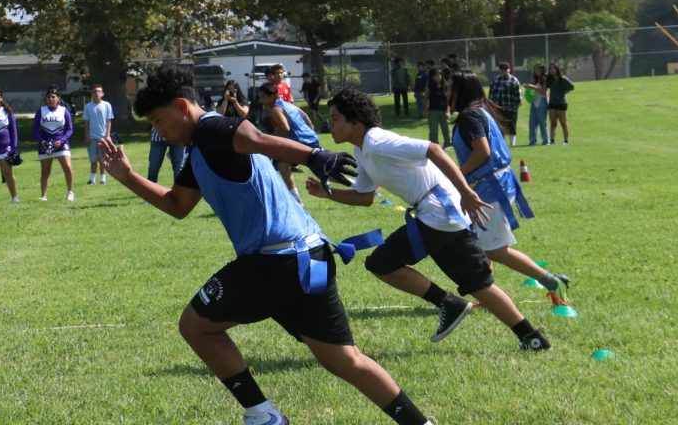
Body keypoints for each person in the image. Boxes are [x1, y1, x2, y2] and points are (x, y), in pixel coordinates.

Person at [101, 67, 435, 425]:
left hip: (277, 262)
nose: (159, 131)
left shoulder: (210, 129)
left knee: (196, 326)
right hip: (312, 257)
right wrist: (129, 177)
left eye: (158, 120)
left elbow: (253, 135)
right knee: (345, 359)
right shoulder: (202, 149)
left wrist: (314, 156)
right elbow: (177, 205)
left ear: (182, 106)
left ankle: (263, 416)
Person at [306, 88, 551, 351]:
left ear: (355, 120)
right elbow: (364, 197)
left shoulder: (378, 142)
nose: (328, 125)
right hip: (438, 215)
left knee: (382, 263)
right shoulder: (362, 149)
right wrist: (328, 194)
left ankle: (449, 303)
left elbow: (433, 149)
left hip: (438, 212)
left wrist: (466, 192)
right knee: (479, 284)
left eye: (334, 119)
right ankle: (531, 338)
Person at [449, 71, 570, 294]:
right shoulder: (480, 111)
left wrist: (457, 172)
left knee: (496, 250)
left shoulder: (470, 116)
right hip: (495, 183)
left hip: (491, 186)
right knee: (481, 243)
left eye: (450, 88)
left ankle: (551, 281)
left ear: (460, 91)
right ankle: (487, 292)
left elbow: (483, 152)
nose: (447, 92)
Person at [258, 81, 319, 203]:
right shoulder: (288, 104)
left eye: (263, 97)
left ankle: (296, 199)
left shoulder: (275, 108)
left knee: (281, 162)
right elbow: (304, 114)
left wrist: (271, 139)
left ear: (272, 96)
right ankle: (353, 183)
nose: (261, 101)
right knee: (321, 166)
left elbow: (285, 127)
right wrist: (310, 129)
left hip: (300, 141)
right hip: (310, 138)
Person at [33, 87, 75, 202]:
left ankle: (70, 192)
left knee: (67, 167)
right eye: (49, 97)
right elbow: (35, 130)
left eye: (53, 97)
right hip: (45, 144)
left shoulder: (64, 110)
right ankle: (43, 195)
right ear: (46, 99)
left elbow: (69, 130)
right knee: (45, 171)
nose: (51, 99)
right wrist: (42, 141)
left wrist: (61, 141)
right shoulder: (41, 111)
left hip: (61, 143)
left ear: (58, 98)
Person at [83, 84, 114, 185]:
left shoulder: (107, 105)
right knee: (93, 160)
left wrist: (108, 135)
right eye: (94, 91)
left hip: (103, 137)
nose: (96, 93)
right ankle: (92, 179)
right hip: (92, 137)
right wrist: (87, 136)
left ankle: (103, 179)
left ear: (102, 93)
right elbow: (86, 123)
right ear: (92, 94)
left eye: (99, 91)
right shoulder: (88, 107)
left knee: (102, 159)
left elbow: (108, 121)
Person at [487, 62, 522, 146]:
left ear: (509, 70)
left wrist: (516, 105)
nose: (504, 71)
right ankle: (501, 142)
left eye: (505, 70)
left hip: (511, 107)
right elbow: (491, 94)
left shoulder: (514, 80)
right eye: (502, 70)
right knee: (499, 126)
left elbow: (518, 95)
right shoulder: (495, 80)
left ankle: (512, 144)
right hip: (497, 109)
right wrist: (491, 106)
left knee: (512, 125)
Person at [546, 64, 575, 146]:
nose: (552, 70)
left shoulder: (562, 79)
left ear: (557, 69)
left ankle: (565, 141)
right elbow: (545, 87)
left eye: (553, 68)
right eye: (550, 68)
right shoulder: (550, 79)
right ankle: (552, 141)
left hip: (561, 103)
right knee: (553, 123)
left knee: (563, 123)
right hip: (552, 103)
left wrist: (563, 93)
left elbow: (572, 86)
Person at [425, 68, 451, 148]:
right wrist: (425, 109)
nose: (437, 77)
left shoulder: (445, 86)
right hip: (432, 111)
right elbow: (425, 98)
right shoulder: (429, 86)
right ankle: (434, 145)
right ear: (432, 77)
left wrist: (448, 111)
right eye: (435, 76)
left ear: (441, 76)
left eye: (438, 76)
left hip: (443, 111)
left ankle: (447, 144)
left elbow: (448, 99)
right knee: (433, 130)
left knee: (446, 129)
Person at [525, 65, 550, 146]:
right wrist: (528, 86)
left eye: (538, 70)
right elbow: (533, 89)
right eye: (535, 70)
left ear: (542, 70)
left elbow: (543, 91)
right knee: (532, 122)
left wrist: (533, 87)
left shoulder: (544, 79)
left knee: (542, 121)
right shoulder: (535, 79)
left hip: (542, 101)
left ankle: (545, 140)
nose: (536, 72)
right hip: (534, 101)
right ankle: (532, 140)